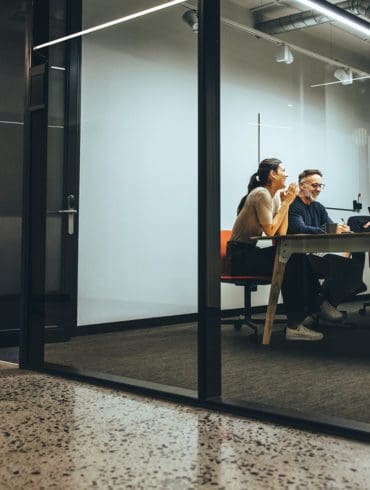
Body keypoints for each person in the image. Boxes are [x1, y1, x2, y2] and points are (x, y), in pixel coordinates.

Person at [227, 158, 324, 341]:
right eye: (283, 170)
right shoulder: (261, 193)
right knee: (291, 258)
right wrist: (287, 204)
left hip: (249, 254)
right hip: (240, 257)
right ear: (272, 174)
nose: (287, 174)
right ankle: (300, 320)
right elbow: (270, 231)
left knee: (293, 256)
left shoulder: (273, 197)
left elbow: (282, 233)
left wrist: (285, 203)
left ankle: (310, 310)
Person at [288, 169, 366, 321]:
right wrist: (325, 230)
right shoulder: (293, 205)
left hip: (319, 254)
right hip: (300, 258)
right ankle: (323, 305)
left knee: (353, 263)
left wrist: (342, 230)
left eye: (320, 186)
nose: (318, 189)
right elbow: (298, 228)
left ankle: (324, 304)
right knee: (347, 268)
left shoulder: (318, 207)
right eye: (314, 185)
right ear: (302, 185)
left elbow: (331, 227)